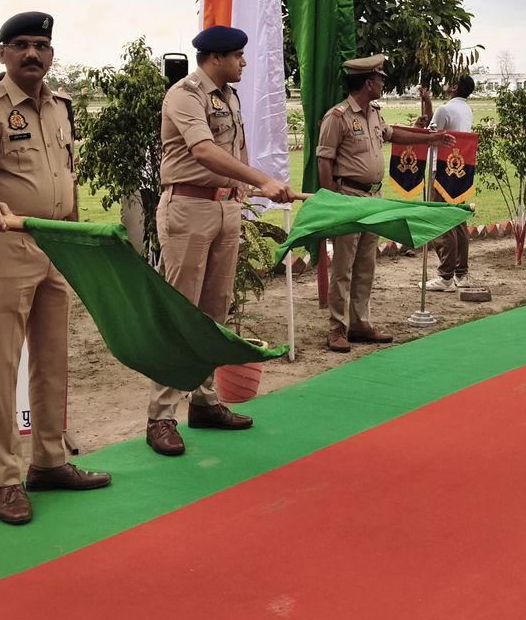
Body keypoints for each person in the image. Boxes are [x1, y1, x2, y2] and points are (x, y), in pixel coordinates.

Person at [0, 11, 111, 525]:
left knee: (53, 361)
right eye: (20, 45)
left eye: (40, 45)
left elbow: (66, 177)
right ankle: (8, 480)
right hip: (7, 249)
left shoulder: (61, 107)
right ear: (2, 55)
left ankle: (51, 461)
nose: (32, 53)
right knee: (2, 369)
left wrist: (78, 240)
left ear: (51, 54)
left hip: (57, 249)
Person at [146, 25, 294, 457]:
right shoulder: (185, 94)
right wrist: (263, 179)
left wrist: (245, 188)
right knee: (181, 311)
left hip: (224, 207)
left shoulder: (227, 95)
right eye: (238, 56)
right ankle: (161, 415)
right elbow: (205, 152)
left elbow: (235, 154)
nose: (244, 63)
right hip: (188, 209)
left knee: (214, 310)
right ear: (216, 58)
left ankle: (206, 401)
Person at [318, 55, 455, 353]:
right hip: (348, 199)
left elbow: (394, 134)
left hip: (374, 199)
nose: (383, 83)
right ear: (368, 83)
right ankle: (336, 327)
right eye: (380, 79)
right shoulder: (337, 117)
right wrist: (331, 204)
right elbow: (324, 161)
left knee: (366, 263)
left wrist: (430, 139)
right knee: (343, 266)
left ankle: (359, 323)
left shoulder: (373, 113)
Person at [418, 76, 476, 292]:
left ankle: (445, 276)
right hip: (459, 171)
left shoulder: (445, 109)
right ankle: (461, 273)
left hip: (441, 171)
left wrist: (420, 121)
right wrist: (428, 103)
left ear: (454, 87)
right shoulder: (465, 109)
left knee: (440, 219)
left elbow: (430, 136)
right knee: (458, 220)